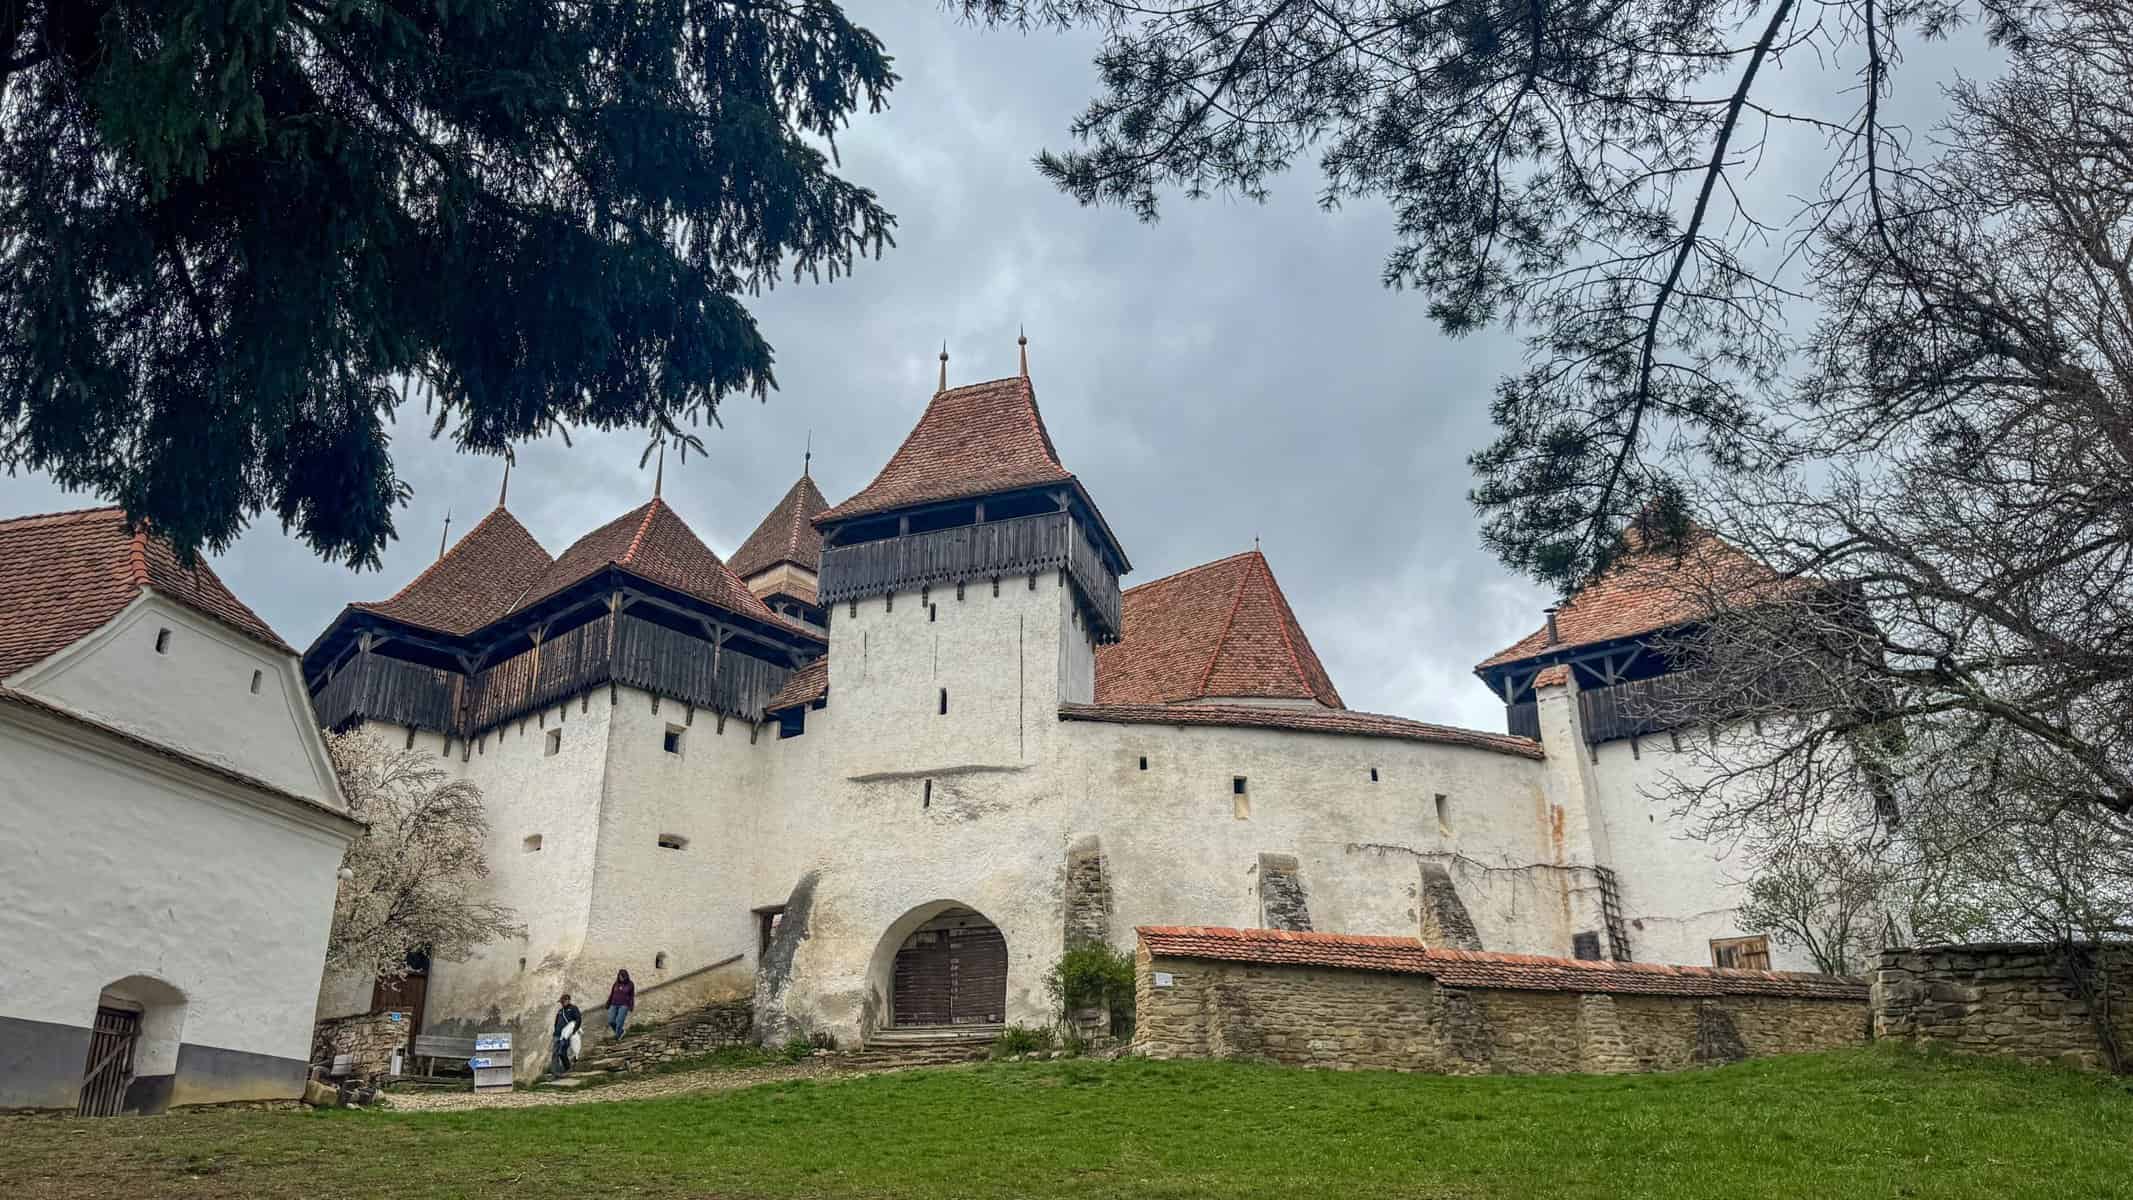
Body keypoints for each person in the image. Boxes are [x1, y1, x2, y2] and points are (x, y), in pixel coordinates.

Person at [550, 993, 582, 1076]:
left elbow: (578, 1019)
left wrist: (574, 1030)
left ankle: (567, 1068)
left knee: (561, 1052)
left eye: (563, 1001)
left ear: (568, 1000)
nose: (562, 1003)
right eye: (561, 1002)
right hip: (557, 1035)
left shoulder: (573, 1008)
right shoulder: (560, 1011)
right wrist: (556, 1032)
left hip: (567, 1035)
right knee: (555, 1053)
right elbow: (556, 1022)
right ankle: (555, 1072)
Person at [605, 969, 636, 1041]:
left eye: (623, 977)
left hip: (624, 1005)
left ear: (626, 976)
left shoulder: (630, 984)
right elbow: (612, 994)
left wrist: (631, 1005)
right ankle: (621, 1032)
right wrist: (608, 1003)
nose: (621, 978)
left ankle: (618, 1036)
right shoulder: (615, 984)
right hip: (614, 1004)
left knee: (619, 1021)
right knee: (611, 1021)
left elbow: (631, 996)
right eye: (620, 976)